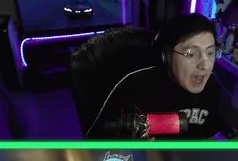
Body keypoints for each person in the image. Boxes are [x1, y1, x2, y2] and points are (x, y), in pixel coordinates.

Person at [86, 14, 227, 140]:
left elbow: (210, 137)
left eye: (210, 53)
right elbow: (95, 145)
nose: (205, 66)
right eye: (191, 54)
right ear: (166, 56)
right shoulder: (133, 88)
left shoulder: (212, 87)